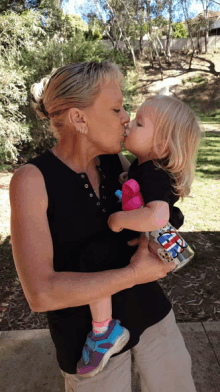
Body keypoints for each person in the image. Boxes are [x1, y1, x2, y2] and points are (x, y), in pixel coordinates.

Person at [9, 61, 197, 392]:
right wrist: (136, 274)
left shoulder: (116, 162)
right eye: (116, 108)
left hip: (150, 313)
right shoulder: (32, 179)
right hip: (90, 341)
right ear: (79, 118)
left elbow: (153, 210)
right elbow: (41, 294)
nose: (126, 117)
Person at [77, 94, 201, 378]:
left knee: (93, 261)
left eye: (139, 123)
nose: (129, 124)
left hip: (140, 235)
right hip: (144, 243)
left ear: (162, 144)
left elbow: (158, 215)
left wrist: (118, 219)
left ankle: (103, 331)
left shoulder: (154, 173)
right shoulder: (143, 165)